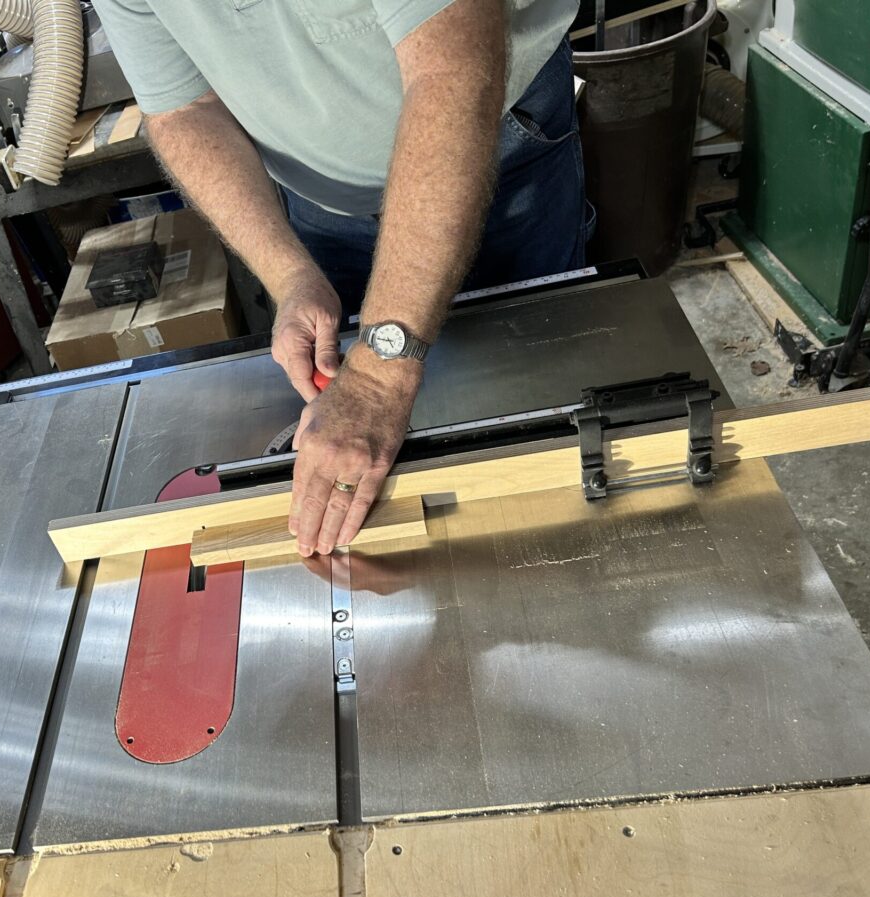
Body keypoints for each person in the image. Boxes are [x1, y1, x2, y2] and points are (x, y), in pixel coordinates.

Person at [94, 0, 589, 557]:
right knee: (371, 435)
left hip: (497, 131)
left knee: (541, 414)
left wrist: (380, 378)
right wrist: (290, 274)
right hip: (319, 196)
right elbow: (183, 111)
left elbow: (454, 69)